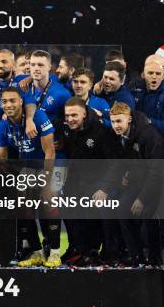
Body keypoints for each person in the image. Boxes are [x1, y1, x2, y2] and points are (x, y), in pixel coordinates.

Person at [0, 87, 60, 268]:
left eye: (13, 101)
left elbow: (50, 152)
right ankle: (37, 251)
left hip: (46, 165)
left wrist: (46, 183)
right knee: (23, 206)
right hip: (26, 170)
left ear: (21, 102)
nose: (9, 105)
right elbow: (3, 157)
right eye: (5, 101)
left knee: (49, 201)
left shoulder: (37, 117)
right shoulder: (2, 126)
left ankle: (55, 252)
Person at [55, 97, 117, 266]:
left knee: (93, 213)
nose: (70, 119)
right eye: (67, 115)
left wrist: (105, 189)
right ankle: (76, 248)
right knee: (67, 208)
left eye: (74, 115)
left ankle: (97, 251)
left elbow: (114, 163)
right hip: (75, 180)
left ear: (84, 113)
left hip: (99, 182)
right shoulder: (64, 127)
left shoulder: (101, 132)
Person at [108, 101, 164, 266]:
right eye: (113, 121)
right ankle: (136, 257)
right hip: (139, 180)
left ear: (130, 119)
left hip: (160, 180)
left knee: (149, 215)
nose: (116, 126)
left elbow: (156, 171)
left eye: (119, 121)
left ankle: (156, 259)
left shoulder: (149, 135)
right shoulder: (119, 137)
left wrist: (141, 198)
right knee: (122, 210)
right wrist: (128, 174)